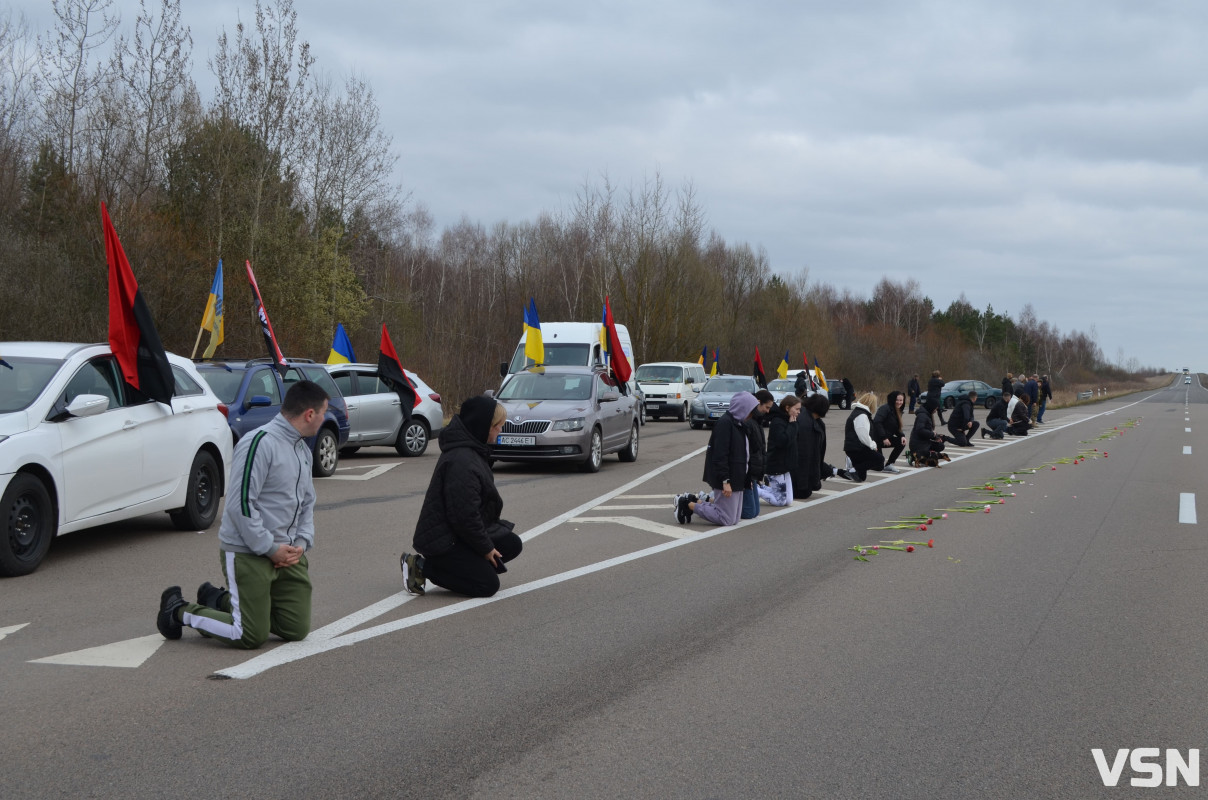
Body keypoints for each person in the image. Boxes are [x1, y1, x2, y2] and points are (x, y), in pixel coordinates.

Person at [156, 380, 328, 649]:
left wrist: (302, 544)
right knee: (249, 634)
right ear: (309, 415)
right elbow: (240, 505)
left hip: (287, 554)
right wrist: (269, 548)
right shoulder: (259, 443)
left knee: (295, 628)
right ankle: (179, 610)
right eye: (323, 413)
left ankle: (220, 600)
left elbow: (307, 502)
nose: (324, 418)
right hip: (249, 551)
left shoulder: (302, 450)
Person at [402, 396, 522, 598]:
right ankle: (421, 566)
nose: (500, 430)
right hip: (443, 541)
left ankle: (468, 569)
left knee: (511, 544)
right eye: (498, 426)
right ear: (483, 426)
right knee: (488, 585)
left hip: (457, 534)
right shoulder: (463, 462)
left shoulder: (473, 450)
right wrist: (485, 549)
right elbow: (464, 516)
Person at [675, 391, 758, 526]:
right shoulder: (725, 423)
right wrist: (725, 480)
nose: (751, 415)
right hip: (727, 477)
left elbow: (745, 454)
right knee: (727, 519)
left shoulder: (740, 424)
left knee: (735, 518)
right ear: (742, 408)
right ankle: (686, 504)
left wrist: (747, 479)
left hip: (737, 476)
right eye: (750, 411)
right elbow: (720, 455)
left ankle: (696, 502)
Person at [791, 393, 846, 499]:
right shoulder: (807, 423)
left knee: (811, 488)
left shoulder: (810, 419)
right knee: (804, 493)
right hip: (799, 470)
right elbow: (805, 455)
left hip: (801, 468)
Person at [758, 394, 800, 507]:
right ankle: (756, 491)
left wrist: (793, 425)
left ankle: (762, 487)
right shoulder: (778, 422)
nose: (798, 412)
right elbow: (783, 442)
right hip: (776, 466)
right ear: (787, 408)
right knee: (780, 501)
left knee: (789, 500)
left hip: (785, 467)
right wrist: (792, 426)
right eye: (796, 409)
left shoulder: (790, 421)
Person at [741, 389, 774, 519]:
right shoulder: (749, 423)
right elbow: (745, 453)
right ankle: (708, 500)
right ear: (758, 403)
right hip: (746, 475)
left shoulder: (758, 422)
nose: (768, 411)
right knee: (749, 513)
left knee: (755, 512)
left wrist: (759, 474)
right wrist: (746, 478)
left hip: (753, 474)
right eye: (766, 407)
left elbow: (760, 451)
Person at [843, 391, 885, 481]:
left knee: (861, 477)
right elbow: (863, 436)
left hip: (853, 447)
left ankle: (844, 470)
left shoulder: (859, 412)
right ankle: (852, 468)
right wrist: (873, 445)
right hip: (856, 449)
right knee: (880, 459)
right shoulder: (862, 415)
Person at [872, 390, 907, 472]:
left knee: (901, 442)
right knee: (879, 467)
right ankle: (856, 462)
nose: (899, 402)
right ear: (892, 399)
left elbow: (896, 427)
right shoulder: (885, 408)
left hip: (884, 439)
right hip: (875, 440)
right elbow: (877, 422)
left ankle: (889, 464)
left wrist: (902, 435)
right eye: (897, 400)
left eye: (901, 400)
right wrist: (884, 437)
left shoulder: (898, 411)